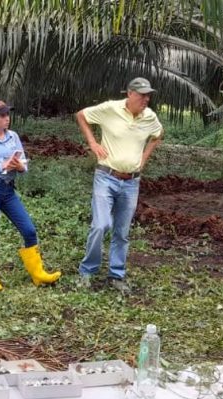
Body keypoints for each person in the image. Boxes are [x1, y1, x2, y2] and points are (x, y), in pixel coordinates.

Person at [75, 78, 164, 294]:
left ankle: (116, 275)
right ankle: (87, 271)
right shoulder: (110, 109)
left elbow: (158, 135)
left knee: (122, 232)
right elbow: (81, 115)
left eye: (148, 95)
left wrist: (143, 159)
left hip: (131, 182)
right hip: (106, 176)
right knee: (100, 225)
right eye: (142, 94)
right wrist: (93, 143)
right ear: (130, 94)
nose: (146, 99)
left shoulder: (149, 117)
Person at [0, 99, 61, 291]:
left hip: (8, 190)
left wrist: (20, 166)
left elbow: (23, 164)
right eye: (2, 115)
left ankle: (38, 274)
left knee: (29, 230)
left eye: (7, 115)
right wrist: (2, 165)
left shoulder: (13, 137)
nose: (7, 119)